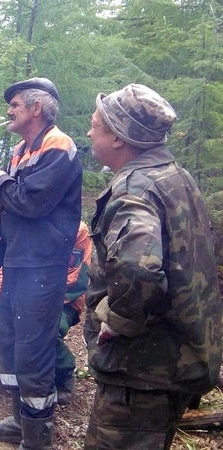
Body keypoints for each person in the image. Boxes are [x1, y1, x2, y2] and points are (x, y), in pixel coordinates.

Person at [84, 84, 222, 449]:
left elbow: (137, 270)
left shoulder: (136, 189)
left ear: (118, 138)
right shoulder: (176, 176)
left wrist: (118, 320)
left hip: (144, 372)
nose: (89, 131)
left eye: (95, 124)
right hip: (182, 356)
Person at [0, 77, 83, 449]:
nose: (9, 110)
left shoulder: (58, 145)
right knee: (9, 344)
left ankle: (37, 439)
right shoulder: (23, 148)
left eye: (15, 104)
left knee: (34, 353)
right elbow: (17, 201)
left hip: (43, 269)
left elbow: (33, 202)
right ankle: (19, 422)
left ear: (36, 108)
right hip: (18, 262)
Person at [0, 222, 92, 406]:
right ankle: (2, 354)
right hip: (15, 295)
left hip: (60, 300)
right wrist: (5, 293)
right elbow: (7, 266)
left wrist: (31, 298)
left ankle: (63, 371)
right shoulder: (25, 223)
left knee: (39, 324)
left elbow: (73, 276)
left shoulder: (75, 229)